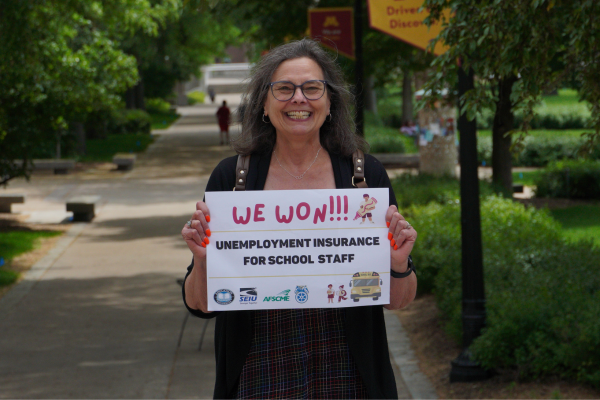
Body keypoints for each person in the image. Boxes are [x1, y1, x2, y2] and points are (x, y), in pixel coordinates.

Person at [181, 38, 418, 399]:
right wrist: (202, 261)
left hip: (347, 374)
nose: (298, 99)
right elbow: (201, 305)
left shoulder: (364, 177)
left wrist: (398, 265)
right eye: (284, 89)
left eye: (312, 88)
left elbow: (398, 301)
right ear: (264, 103)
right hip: (260, 371)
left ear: (330, 102)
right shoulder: (231, 179)